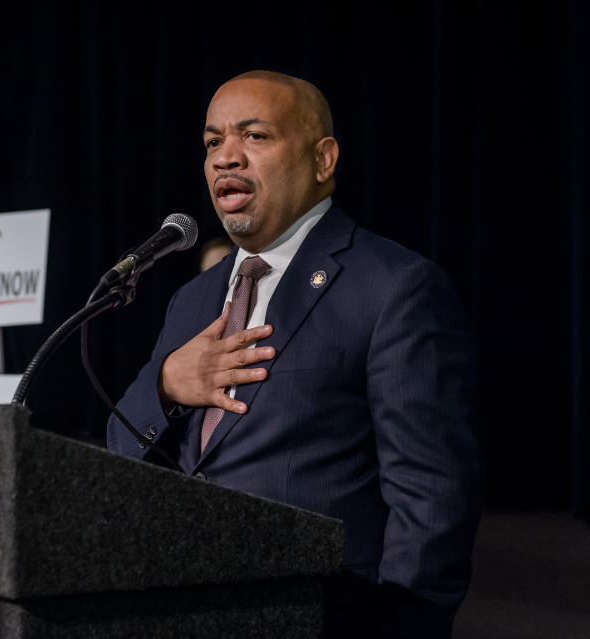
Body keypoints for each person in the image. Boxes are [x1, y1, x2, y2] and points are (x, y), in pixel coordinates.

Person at [107, 71, 482, 638]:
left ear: (322, 160)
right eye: (212, 143)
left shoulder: (393, 288)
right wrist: (163, 384)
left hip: (321, 618)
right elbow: (117, 453)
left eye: (253, 136)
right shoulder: (192, 301)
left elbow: (432, 499)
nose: (225, 158)